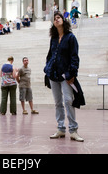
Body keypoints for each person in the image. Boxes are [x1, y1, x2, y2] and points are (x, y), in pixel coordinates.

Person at [44, 11, 84, 142]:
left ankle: (73, 130)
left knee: (68, 100)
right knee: (57, 103)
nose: (56, 20)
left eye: (58, 17)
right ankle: (60, 129)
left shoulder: (70, 37)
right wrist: (47, 68)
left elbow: (74, 57)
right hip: (53, 74)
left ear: (63, 20)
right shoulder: (54, 38)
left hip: (65, 75)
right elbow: (50, 55)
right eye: (54, 18)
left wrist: (72, 73)